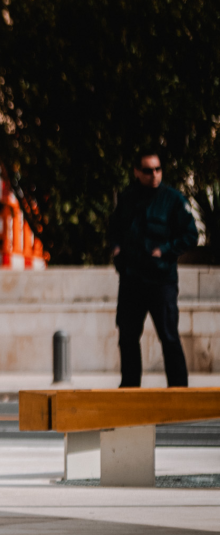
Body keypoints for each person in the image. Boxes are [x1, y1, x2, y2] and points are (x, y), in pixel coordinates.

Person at [109, 150, 198, 388]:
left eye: (158, 169)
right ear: (137, 172)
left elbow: (191, 235)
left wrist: (166, 249)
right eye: (148, 170)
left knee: (169, 337)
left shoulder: (173, 199)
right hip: (132, 280)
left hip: (161, 281)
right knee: (127, 337)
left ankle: (179, 392)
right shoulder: (127, 198)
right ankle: (130, 390)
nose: (154, 175)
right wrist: (116, 250)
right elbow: (114, 229)